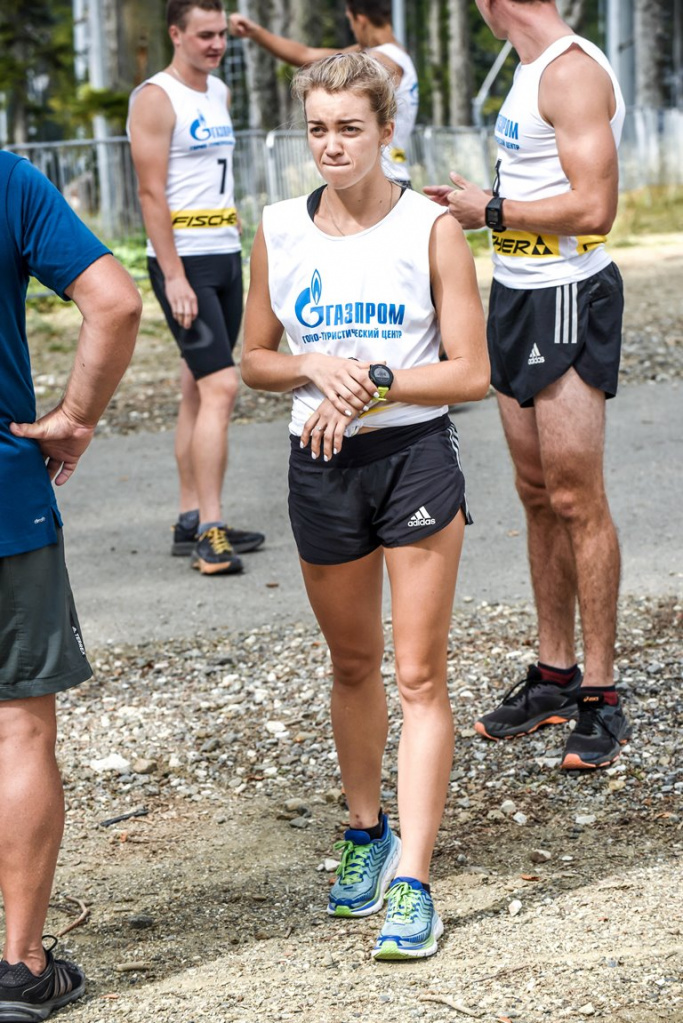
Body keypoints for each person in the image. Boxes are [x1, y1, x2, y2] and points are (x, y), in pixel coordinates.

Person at [241, 53, 489, 959]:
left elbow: (471, 370)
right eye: (317, 129)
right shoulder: (278, 225)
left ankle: (414, 880)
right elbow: (253, 359)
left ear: (387, 130)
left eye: (350, 128)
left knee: (419, 674)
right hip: (321, 465)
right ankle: (365, 832)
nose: (331, 146)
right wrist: (313, 366)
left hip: (414, 457)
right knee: (352, 663)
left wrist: (377, 381)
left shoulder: (429, 228)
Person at [425, 0, 631, 770]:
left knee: (577, 496)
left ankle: (601, 692)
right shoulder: (524, 66)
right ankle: (553, 672)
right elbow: (541, 188)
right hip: (514, 291)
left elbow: (595, 207)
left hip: (567, 294)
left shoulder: (570, 72)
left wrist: (496, 206)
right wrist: (478, 211)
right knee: (535, 490)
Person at [0, 151, 141, 1018]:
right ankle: (17, 965)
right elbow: (116, 301)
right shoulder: (9, 180)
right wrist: (75, 418)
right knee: (16, 728)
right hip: (4, 505)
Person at [128, 0, 265, 576]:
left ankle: (190, 517)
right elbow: (151, 194)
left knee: (197, 384)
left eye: (220, 35)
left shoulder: (218, 94)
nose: (215, 45)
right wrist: (175, 275)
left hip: (225, 257)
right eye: (203, 35)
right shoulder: (156, 98)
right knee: (222, 387)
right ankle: (210, 530)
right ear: (175, 34)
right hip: (185, 265)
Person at [229, 0, 418, 186]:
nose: (353, 30)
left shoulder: (378, 61)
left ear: (360, 20)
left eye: (351, 22)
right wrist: (256, 32)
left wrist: (255, 32)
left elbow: (307, 58)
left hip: (378, 179)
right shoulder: (396, 55)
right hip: (393, 172)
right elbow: (306, 55)